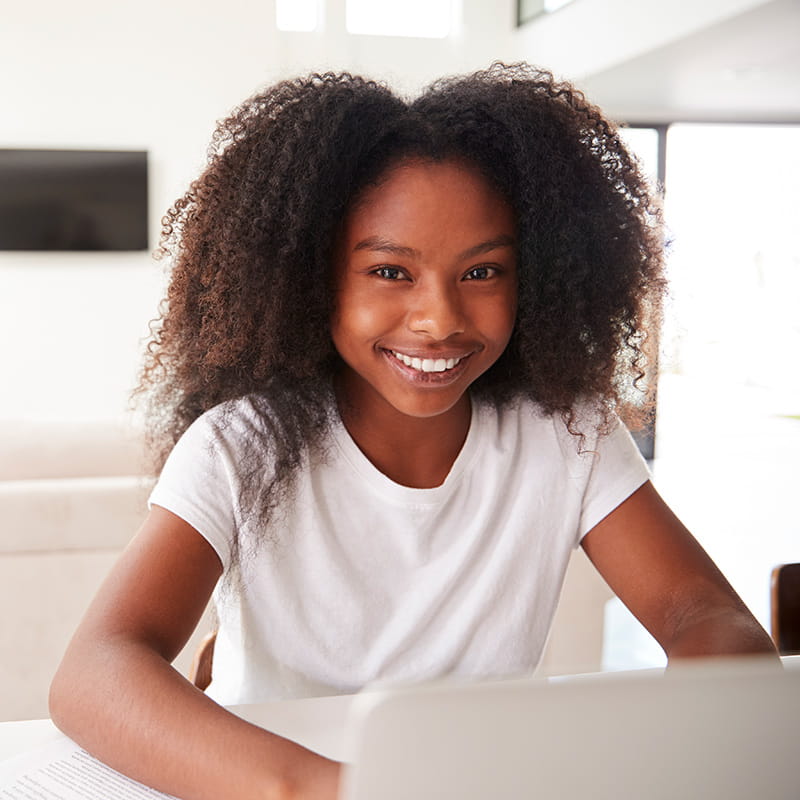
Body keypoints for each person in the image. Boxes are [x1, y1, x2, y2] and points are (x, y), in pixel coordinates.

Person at [49, 63, 777, 800]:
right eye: (391, 272)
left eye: (484, 272)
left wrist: (680, 742)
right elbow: (94, 673)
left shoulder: (566, 433)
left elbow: (708, 615)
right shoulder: (242, 445)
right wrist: (345, 790)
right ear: (311, 278)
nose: (439, 320)